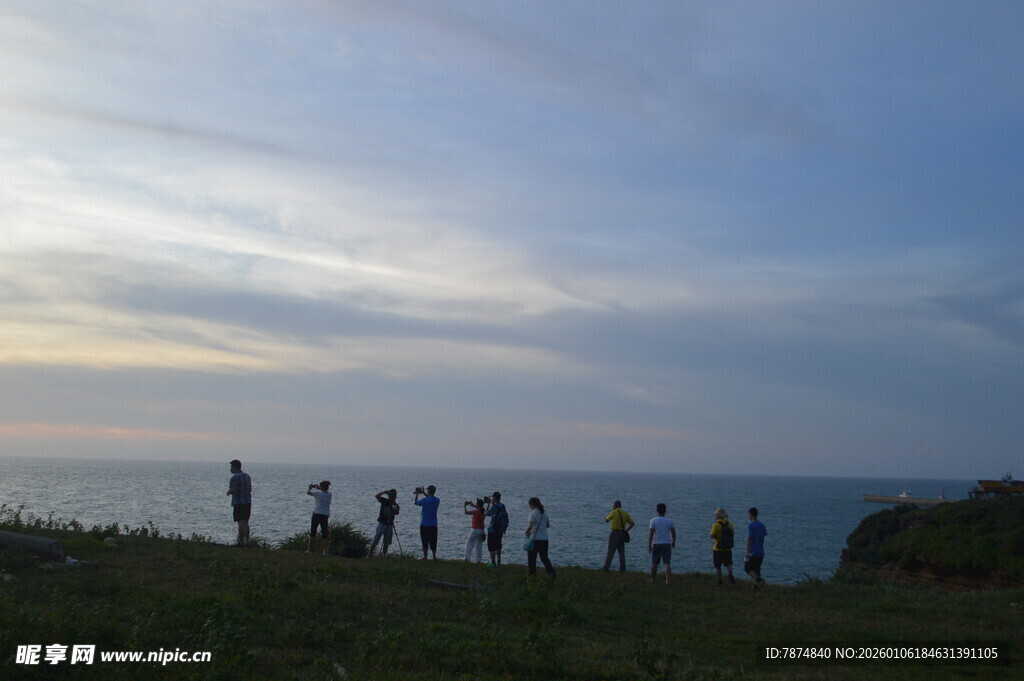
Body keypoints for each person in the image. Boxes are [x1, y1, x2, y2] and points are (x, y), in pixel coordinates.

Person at [525, 497, 556, 579]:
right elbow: (548, 525)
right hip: (544, 539)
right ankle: (552, 572)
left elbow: (530, 527)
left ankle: (532, 575)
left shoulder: (532, 514)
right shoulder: (544, 513)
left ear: (532, 505)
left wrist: (526, 532)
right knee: (544, 558)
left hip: (534, 539)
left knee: (532, 559)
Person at [601, 500, 635, 573]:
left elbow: (606, 520)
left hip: (614, 533)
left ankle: (606, 567)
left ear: (614, 506)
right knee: (621, 552)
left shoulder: (614, 512)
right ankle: (623, 568)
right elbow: (632, 523)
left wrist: (611, 513)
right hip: (622, 533)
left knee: (611, 551)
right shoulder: (625, 513)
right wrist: (626, 530)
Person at [648, 503, 676, 585]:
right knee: (666, 563)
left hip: (656, 543)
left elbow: (651, 534)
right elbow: (673, 533)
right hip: (666, 543)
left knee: (654, 563)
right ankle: (667, 580)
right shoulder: (669, 521)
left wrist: (649, 545)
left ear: (657, 510)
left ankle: (652, 579)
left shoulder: (653, 520)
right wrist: (673, 542)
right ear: (665, 511)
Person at [226, 459, 251, 546]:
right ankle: (247, 541)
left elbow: (233, 490)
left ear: (235, 467)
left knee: (240, 522)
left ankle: (241, 542)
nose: (230, 469)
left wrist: (228, 492)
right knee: (245, 522)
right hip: (247, 502)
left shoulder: (235, 477)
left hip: (238, 503)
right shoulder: (247, 476)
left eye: (231, 467)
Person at [369, 489, 400, 557]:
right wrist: (383, 492)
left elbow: (397, 512)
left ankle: (384, 555)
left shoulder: (395, 505)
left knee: (386, 542)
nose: (391, 497)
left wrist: (393, 509)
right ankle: (369, 554)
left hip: (390, 524)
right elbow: (376, 496)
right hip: (382, 523)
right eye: (390, 496)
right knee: (376, 539)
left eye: (392, 496)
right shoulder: (385, 501)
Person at [710, 507, 736, 585]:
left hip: (718, 548)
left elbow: (712, 536)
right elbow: (733, 534)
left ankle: (719, 581)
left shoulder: (716, 525)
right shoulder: (730, 524)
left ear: (717, 516)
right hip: (728, 548)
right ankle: (730, 574)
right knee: (728, 564)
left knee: (718, 566)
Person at [305, 480, 332, 555]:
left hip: (316, 514)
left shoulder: (317, 493)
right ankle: (325, 551)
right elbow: (324, 491)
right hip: (325, 515)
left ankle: (309, 549)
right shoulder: (329, 494)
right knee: (324, 534)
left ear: (322, 487)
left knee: (313, 532)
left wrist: (310, 488)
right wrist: (319, 488)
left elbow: (308, 493)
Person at [414, 485, 440, 560]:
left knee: (425, 540)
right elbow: (429, 498)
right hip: (434, 524)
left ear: (428, 491)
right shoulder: (437, 500)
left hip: (424, 524)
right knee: (433, 540)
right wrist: (423, 492)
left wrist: (417, 494)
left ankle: (425, 557)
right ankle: (434, 556)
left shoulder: (425, 501)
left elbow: (416, 502)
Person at [745, 507, 768, 589]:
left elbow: (750, 538)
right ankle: (756, 586)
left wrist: (747, 552)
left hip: (753, 551)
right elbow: (763, 538)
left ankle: (759, 580)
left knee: (747, 568)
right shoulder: (762, 525)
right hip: (761, 551)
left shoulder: (751, 525)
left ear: (750, 514)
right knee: (756, 569)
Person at [484, 491, 509, 567]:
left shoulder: (494, 507)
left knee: (491, 546)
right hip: (500, 530)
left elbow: (486, 513)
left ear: (494, 498)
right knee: (498, 546)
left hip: (493, 530)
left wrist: (488, 504)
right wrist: (492, 504)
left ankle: (493, 563)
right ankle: (499, 562)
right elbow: (497, 511)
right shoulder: (502, 506)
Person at [463, 498, 485, 563]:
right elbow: (479, 508)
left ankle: (467, 559)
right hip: (481, 531)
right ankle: (478, 560)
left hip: (475, 530)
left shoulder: (475, 512)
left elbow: (466, 512)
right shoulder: (483, 512)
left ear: (478, 505)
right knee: (479, 546)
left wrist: (465, 505)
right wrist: (473, 505)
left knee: (469, 544)